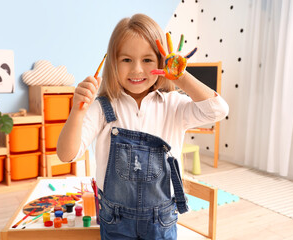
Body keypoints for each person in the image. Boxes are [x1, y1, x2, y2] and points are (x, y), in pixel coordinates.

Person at [57, 13, 229, 240]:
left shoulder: (173, 105)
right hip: (114, 220)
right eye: (126, 60)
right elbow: (66, 154)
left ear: (161, 61)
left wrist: (182, 78)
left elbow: (218, 110)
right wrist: (77, 111)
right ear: (112, 63)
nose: (137, 69)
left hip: (162, 219)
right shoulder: (102, 107)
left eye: (147, 60)